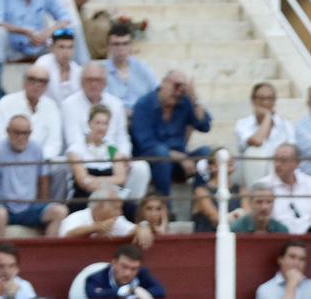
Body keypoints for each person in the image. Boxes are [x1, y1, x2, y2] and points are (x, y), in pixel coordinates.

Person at [131, 71, 213, 206]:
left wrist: (195, 100)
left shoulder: (184, 102)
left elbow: (204, 126)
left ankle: (200, 205)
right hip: (151, 161)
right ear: (163, 83)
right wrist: (179, 157)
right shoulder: (144, 104)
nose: (179, 92)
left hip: (179, 163)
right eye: (176, 86)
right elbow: (146, 143)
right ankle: (165, 207)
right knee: (161, 152)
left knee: (206, 153)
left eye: (183, 88)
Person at [0, 112, 68, 235]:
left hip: (29, 207)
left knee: (60, 211)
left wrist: (42, 205)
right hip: (4, 206)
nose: (21, 137)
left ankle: (48, 252)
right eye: (17, 132)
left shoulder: (36, 149)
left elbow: (43, 179)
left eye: (25, 133)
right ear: (8, 132)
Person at [83, 243, 164, 299]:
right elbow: (94, 296)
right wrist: (132, 290)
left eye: (134, 269)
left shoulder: (142, 273)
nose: (128, 273)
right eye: (124, 267)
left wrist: (139, 293)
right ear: (114, 263)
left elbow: (160, 291)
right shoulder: (95, 278)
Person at [60, 187, 135, 238]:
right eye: (116, 208)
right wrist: (96, 228)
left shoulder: (117, 219)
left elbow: (133, 230)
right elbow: (67, 236)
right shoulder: (76, 217)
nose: (120, 213)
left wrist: (142, 227)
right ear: (100, 207)